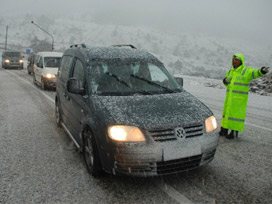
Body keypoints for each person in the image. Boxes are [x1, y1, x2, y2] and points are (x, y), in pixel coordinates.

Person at [219, 53, 269, 139]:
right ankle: (224, 129)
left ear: (241, 61)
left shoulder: (245, 71)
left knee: (236, 116)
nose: (235, 61)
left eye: (237, 60)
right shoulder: (231, 71)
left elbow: (254, 73)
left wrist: (262, 71)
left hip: (239, 100)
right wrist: (225, 81)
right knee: (227, 114)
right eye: (234, 59)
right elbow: (225, 82)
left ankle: (234, 132)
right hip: (229, 98)